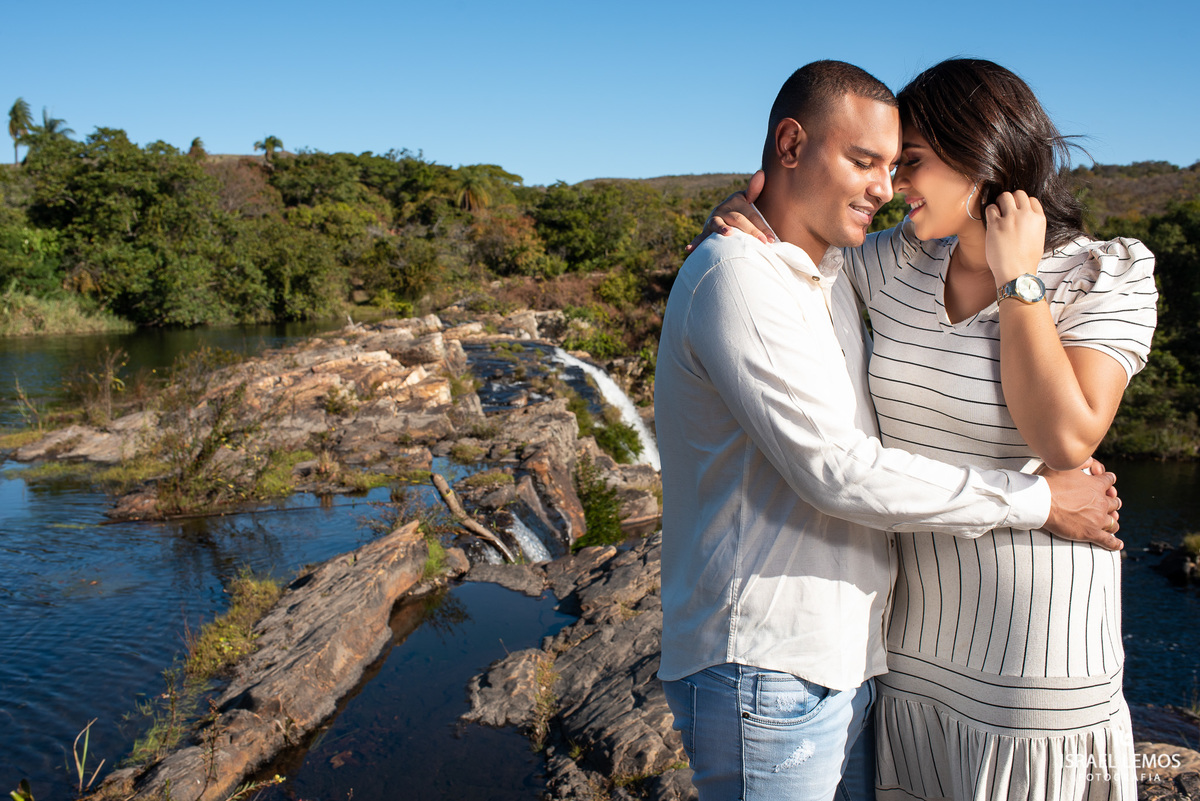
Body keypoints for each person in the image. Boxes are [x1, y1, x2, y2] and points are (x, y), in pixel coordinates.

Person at [655, 59, 1125, 801]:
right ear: (790, 145)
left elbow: (1068, 438)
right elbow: (835, 466)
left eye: (903, 163)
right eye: (871, 161)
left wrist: (1018, 281)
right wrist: (1038, 502)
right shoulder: (799, 270)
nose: (886, 187)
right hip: (806, 659)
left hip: (890, 654)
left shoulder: (1101, 272)